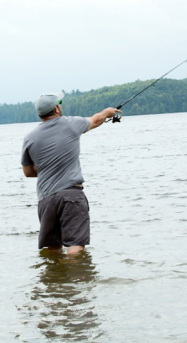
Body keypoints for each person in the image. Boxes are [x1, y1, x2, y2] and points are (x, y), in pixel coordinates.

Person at [21, 92, 120, 255]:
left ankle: (56, 279)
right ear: (56, 109)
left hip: (45, 199)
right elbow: (95, 120)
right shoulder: (71, 124)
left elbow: (28, 172)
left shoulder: (29, 137)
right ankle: (75, 278)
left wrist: (50, 168)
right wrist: (107, 112)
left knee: (52, 248)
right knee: (75, 245)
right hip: (71, 195)